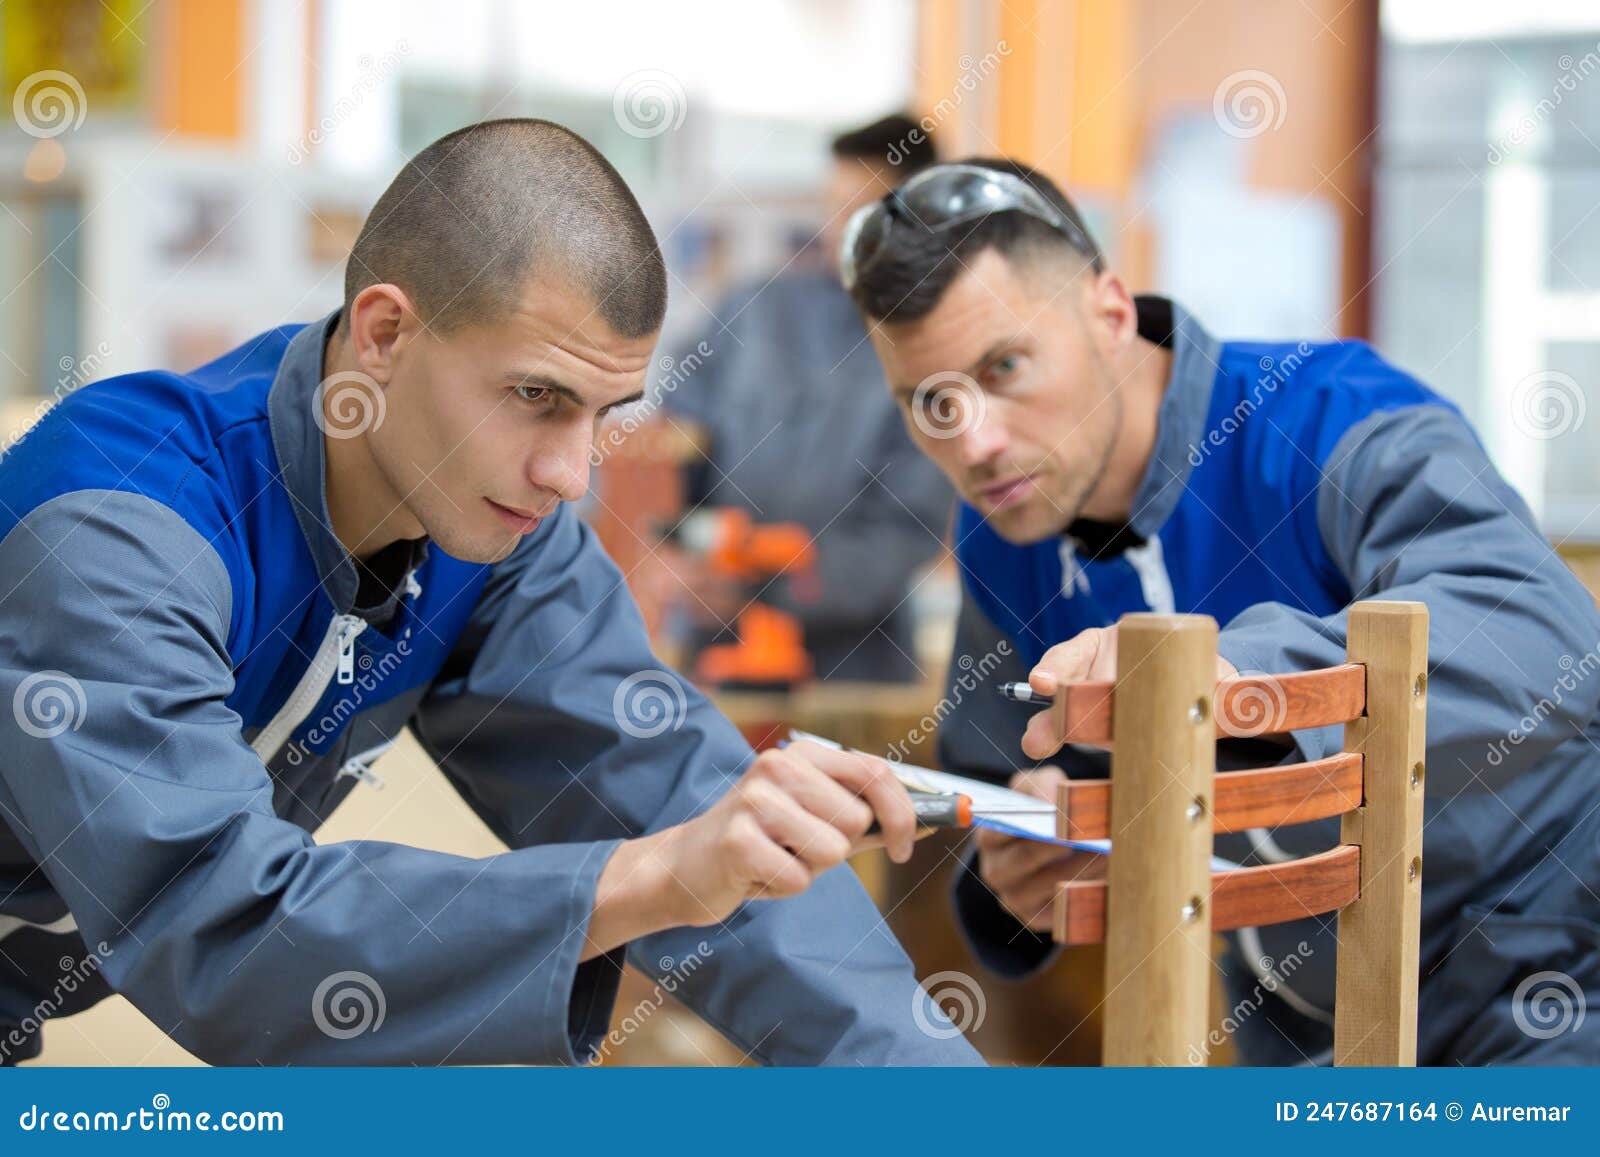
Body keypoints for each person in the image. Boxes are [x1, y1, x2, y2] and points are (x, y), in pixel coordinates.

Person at [0, 119, 984, 1068]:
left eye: (600, 413)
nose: (568, 473)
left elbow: (674, 790)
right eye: (534, 396)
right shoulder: (118, 524)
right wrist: (654, 876)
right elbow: (220, 926)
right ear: (384, 332)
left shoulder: (489, 531)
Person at [842, 159, 1600, 1064]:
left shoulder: (1333, 418)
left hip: (1549, 968)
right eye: (931, 403)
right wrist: (1033, 862)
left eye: (1005, 367)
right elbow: (998, 780)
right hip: (1304, 1026)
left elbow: (1539, 636)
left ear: (1111, 312)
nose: (976, 443)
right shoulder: (1005, 533)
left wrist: (1235, 685)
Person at [660, 114, 953, 683]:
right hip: (716, 656)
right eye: (832, 207)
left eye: (859, 211)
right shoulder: (753, 311)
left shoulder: (931, 357)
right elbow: (673, 447)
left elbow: (903, 534)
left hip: (855, 675)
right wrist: (676, 553)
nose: (837, 230)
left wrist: (764, 591)